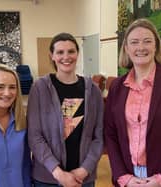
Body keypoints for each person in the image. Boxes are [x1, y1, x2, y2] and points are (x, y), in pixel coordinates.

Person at [104, 18, 161, 187]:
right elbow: (110, 135)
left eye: (147, 41)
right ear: (126, 48)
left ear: (156, 46)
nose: (141, 47)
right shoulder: (117, 87)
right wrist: (123, 177)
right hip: (130, 180)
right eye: (134, 42)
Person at [27, 32, 104, 187]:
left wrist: (84, 169)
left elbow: (99, 136)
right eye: (60, 52)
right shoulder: (40, 88)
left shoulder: (93, 90)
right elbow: (34, 136)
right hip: (48, 178)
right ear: (52, 56)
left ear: (77, 53)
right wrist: (58, 173)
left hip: (83, 178)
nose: (66, 57)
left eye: (71, 51)